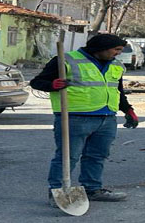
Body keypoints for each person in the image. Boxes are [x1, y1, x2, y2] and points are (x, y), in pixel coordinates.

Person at [31, 34, 137, 204]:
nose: (118, 53)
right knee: (67, 157)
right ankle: (57, 192)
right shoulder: (66, 60)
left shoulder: (115, 65)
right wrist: (52, 85)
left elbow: (118, 90)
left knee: (97, 156)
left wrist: (128, 110)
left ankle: (92, 189)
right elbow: (37, 82)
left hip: (107, 117)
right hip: (74, 118)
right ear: (101, 48)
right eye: (116, 50)